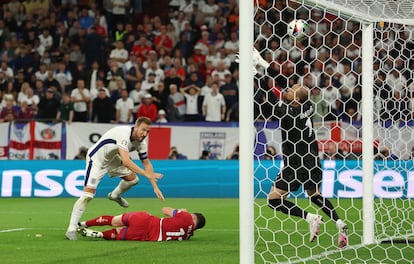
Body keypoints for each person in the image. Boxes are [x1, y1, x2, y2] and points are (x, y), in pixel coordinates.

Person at [267, 84, 348, 249]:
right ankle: (339, 222)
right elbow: (282, 89)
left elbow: (270, 98)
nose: (287, 90)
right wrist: (263, 65)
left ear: (296, 99)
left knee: (273, 200)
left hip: (295, 163)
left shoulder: (289, 115)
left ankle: (311, 218)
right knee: (314, 195)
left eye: (291, 90)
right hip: (313, 161)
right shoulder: (308, 105)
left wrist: (257, 76)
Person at [65, 117, 165, 240]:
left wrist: (155, 186)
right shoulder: (124, 133)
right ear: (136, 127)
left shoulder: (141, 143)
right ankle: (71, 229)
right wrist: (146, 174)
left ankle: (114, 195)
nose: (145, 134)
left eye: (148, 131)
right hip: (97, 160)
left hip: (112, 160)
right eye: (143, 130)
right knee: (87, 196)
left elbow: (146, 163)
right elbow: (126, 161)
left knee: (133, 180)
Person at [76, 207, 206, 241]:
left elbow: (165, 210)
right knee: (117, 233)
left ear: (193, 217)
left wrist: (181, 211)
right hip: (147, 236)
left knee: (115, 220)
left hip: (147, 220)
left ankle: (83, 223)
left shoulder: (186, 217)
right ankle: (99, 235)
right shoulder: (188, 236)